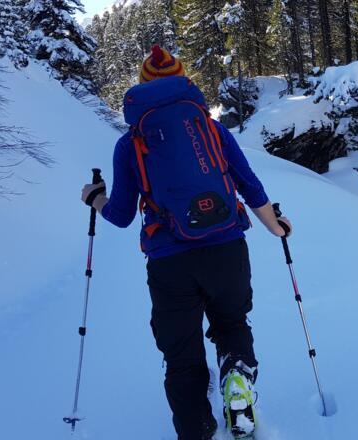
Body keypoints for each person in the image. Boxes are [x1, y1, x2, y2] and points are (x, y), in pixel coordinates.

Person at [80, 45, 290, 440]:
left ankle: (196, 430)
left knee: (181, 354)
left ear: (141, 89)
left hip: (170, 261)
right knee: (231, 323)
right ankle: (237, 380)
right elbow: (248, 184)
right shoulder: (211, 129)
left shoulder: (131, 142)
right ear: (182, 81)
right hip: (227, 248)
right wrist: (275, 226)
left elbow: (122, 215)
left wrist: (95, 198)